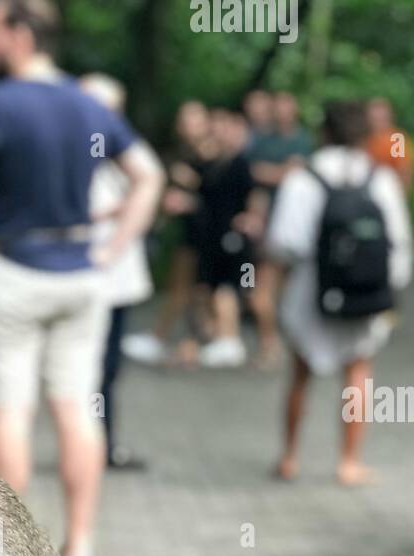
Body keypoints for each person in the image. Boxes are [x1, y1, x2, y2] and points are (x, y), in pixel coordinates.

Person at [0, 0, 162, 556]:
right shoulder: (87, 105)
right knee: (78, 408)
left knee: (10, 411)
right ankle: (79, 544)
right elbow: (149, 176)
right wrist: (113, 246)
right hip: (81, 276)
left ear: (21, 35)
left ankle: (14, 554)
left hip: (12, 275)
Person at [267, 100, 413, 487]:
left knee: (300, 374)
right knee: (358, 374)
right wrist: (387, 291)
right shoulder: (380, 180)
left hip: (311, 291)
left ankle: (289, 456)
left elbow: (284, 242)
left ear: (323, 132)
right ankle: (348, 462)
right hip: (364, 296)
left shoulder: (303, 178)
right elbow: (398, 241)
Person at [79, 73, 163, 470]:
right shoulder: (76, 158)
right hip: (86, 280)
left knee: (108, 371)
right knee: (88, 371)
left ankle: (103, 444)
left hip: (115, 282)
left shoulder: (116, 162)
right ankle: (94, 447)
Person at [122, 99, 214, 366]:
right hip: (185, 231)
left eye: (194, 120)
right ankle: (178, 340)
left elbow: (221, 197)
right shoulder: (183, 154)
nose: (188, 126)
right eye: (184, 121)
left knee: (194, 288)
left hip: (206, 234)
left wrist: (193, 194)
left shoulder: (211, 157)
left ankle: (180, 341)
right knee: (184, 288)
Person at [244, 91, 313, 369]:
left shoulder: (303, 140)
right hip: (268, 225)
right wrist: (282, 171)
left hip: (297, 228)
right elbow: (256, 176)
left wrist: (273, 172)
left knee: (285, 293)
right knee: (260, 292)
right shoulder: (262, 141)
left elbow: (298, 175)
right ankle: (271, 345)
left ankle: (282, 346)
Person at [195, 109, 265, 367]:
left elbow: (255, 193)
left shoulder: (242, 163)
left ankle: (242, 341)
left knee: (238, 290)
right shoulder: (215, 162)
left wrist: (253, 218)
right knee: (215, 287)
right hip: (215, 237)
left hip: (235, 240)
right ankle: (224, 337)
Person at [366, 97, 414, 194]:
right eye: (374, 117)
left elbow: (404, 170)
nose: (378, 120)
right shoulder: (363, 138)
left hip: (389, 191)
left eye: (381, 117)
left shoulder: (396, 139)